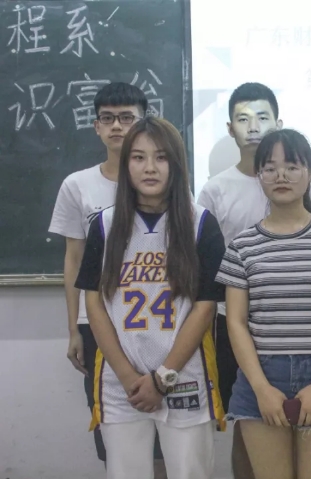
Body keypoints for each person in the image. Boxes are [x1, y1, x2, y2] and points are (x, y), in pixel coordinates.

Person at [74, 116, 226, 479]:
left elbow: (205, 307)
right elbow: (94, 303)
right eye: (138, 157)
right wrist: (129, 377)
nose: (150, 168)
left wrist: (163, 377)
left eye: (161, 157)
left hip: (184, 376)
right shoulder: (104, 225)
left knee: (190, 473)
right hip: (121, 380)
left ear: (176, 164)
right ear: (126, 164)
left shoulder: (201, 223)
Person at [215, 128, 311, 479]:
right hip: (261, 376)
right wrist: (261, 388)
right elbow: (235, 322)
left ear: (309, 173)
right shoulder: (242, 246)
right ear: (259, 175)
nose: (281, 175)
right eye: (270, 167)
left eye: (292, 166)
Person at [48, 82, 168, 477]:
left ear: (144, 123)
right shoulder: (77, 185)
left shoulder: (166, 181)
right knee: (114, 429)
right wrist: (73, 328)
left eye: (127, 117)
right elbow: (74, 260)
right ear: (96, 126)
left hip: (157, 322)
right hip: (97, 322)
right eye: (108, 118)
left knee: (166, 433)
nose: (117, 126)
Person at [197, 82, 311, 479]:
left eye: (262, 117)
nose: (253, 126)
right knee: (248, 420)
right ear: (230, 128)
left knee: (306, 425)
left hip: (298, 323)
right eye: (243, 118)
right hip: (233, 321)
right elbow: (205, 263)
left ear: (278, 123)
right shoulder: (215, 189)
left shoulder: (301, 182)